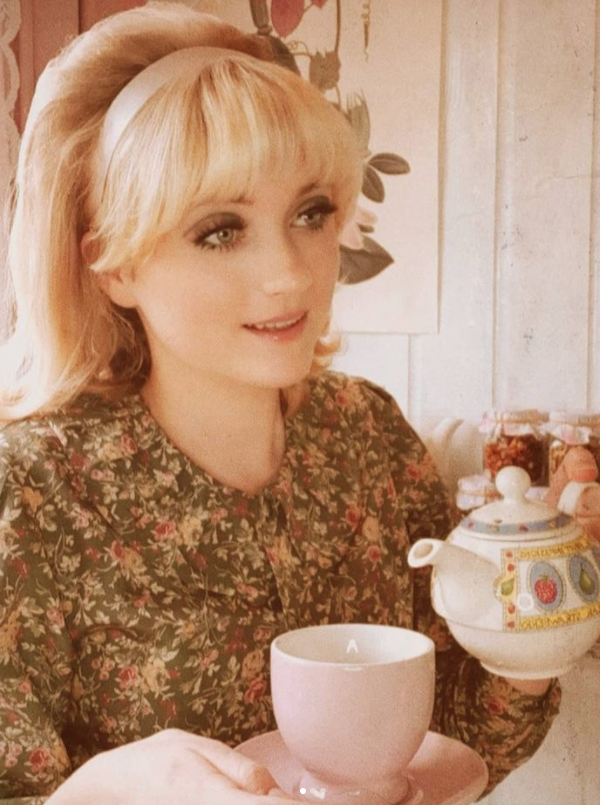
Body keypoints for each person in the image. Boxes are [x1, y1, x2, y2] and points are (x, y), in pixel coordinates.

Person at [0, 3, 598, 803]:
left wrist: (533, 631)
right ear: (114, 266)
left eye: (309, 214)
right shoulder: (35, 488)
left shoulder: (369, 434)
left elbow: (451, 733)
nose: (289, 271)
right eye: (220, 230)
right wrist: (96, 791)